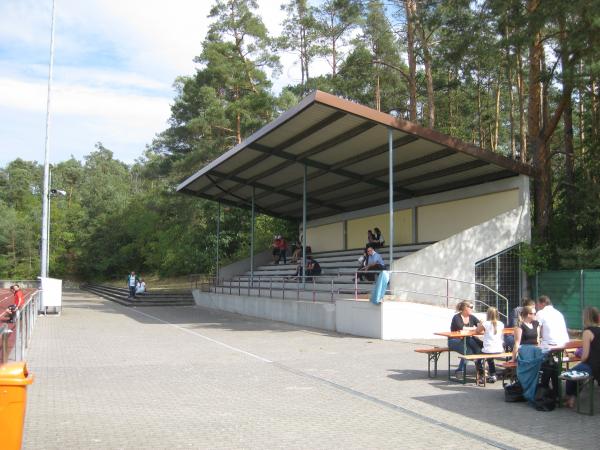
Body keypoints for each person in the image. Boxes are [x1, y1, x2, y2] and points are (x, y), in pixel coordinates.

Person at [564, 307, 600, 409]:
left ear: (586, 318)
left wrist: (580, 361)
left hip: (592, 366)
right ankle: (572, 398)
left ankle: (568, 396)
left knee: (571, 373)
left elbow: (585, 356)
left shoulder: (587, 332)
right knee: (580, 374)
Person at [448, 301, 483, 377]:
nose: (472, 309)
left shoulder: (472, 317)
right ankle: (460, 370)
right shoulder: (456, 317)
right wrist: (474, 328)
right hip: (455, 340)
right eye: (471, 307)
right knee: (468, 351)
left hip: (467, 340)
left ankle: (480, 371)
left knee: (479, 350)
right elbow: (461, 328)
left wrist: (480, 325)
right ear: (465, 308)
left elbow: (480, 326)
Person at [476, 307, 504, 383]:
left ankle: (482, 375)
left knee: (478, 359)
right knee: (489, 358)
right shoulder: (501, 323)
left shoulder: (486, 323)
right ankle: (493, 374)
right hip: (499, 349)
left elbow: (477, 331)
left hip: (488, 349)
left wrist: (481, 323)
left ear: (487, 314)